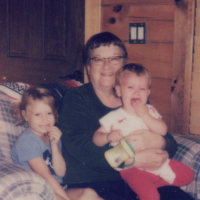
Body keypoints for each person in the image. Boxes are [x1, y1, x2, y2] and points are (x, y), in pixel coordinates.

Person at [58, 31, 194, 200]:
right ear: (88, 66)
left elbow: (169, 141)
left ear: (124, 64)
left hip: (145, 177)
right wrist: (131, 161)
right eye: (98, 59)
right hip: (96, 181)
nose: (106, 66)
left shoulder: (135, 96)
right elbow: (81, 149)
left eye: (114, 58)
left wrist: (159, 141)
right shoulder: (76, 98)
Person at [93, 63, 194, 200]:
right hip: (132, 169)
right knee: (150, 196)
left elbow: (163, 130)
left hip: (157, 160)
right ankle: (149, 190)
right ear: (118, 91)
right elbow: (96, 138)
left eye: (142, 88)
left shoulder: (150, 111)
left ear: (148, 93)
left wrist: (145, 115)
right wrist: (107, 136)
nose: (136, 92)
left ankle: (157, 183)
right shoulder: (114, 117)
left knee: (188, 176)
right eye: (130, 87)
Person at [11, 87, 103, 200]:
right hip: (37, 189)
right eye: (37, 115)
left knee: (88, 193)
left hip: (57, 187)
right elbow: (45, 176)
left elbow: (60, 172)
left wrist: (54, 145)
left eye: (49, 113)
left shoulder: (53, 136)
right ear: (25, 115)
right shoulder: (27, 141)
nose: (44, 119)